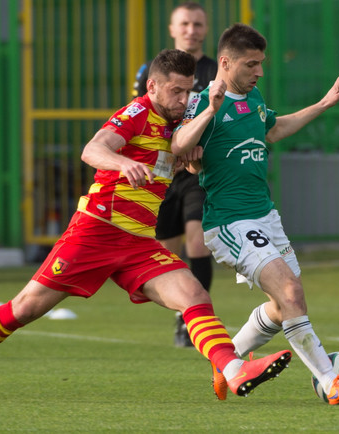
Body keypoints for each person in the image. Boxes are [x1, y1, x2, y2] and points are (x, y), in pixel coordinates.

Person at [0, 49, 291, 403]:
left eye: (189, 91)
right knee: (23, 309)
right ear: (152, 86)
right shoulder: (137, 112)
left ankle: (236, 371)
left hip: (138, 242)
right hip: (95, 232)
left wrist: (192, 158)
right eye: (176, 91)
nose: (184, 100)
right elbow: (93, 149)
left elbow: (183, 153)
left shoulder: (180, 123)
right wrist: (123, 163)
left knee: (193, 293)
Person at [171, 24, 339, 405]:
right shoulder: (204, 101)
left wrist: (321, 106)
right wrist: (206, 117)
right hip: (229, 221)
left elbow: (273, 130)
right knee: (291, 292)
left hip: (266, 217)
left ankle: (228, 363)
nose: (259, 72)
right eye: (251, 64)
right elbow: (179, 144)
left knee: (283, 306)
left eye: (261, 64)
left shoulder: (253, 96)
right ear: (225, 63)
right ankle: (330, 380)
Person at [133, 2, 217, 348]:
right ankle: (182, 306)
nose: (191, 30)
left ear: (205, 30)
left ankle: (191, 318)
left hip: (197, 169)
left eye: (197, 24)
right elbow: (141, 116)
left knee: (198, 239)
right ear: (172, 29)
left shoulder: (217, 72)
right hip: (163, 171)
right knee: (168, 250)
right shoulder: (153, 72)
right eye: (184, 23)